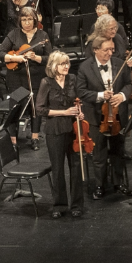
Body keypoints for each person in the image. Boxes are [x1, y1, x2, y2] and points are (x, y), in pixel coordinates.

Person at [77, 37, 131, 198]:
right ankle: (100, 185)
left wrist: (122, 96)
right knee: (99, 153)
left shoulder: (119, 63)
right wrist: (100, 95)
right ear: (95, 50)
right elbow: (81, 91)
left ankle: (118, 183)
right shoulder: (85, 67)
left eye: (112, 49)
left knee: (118, 151)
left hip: (118, 116)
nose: (110, 53)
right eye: (106, 49)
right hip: (96, 117)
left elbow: (129, 84)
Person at [37, 51, 87, 218]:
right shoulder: (46, 82)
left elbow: (78, 100)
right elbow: (40, 109)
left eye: (67, 63)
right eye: (62, 64)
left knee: (76, 167)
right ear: (53, 66)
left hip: (73, 129)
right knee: (58, 169)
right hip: (55, 130)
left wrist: (79, 112)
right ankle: (59, 205)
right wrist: (64, 112)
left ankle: (77, 205)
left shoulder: (72, 79)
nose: (66, 66)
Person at [0, 6, 52, 149]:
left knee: (35, 108)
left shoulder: (42, 35)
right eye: (24, 20)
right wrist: (15, 58)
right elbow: (0, 53)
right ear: (19, 21)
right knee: (15, 107)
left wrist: (36, 57)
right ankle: (13, 139)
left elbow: (50, 58)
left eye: (29, 19)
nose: (27, 23)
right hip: (16, 78)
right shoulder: (14, 34)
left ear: (35, 20)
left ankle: (35, 137)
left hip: (36, 77)